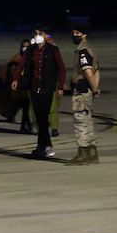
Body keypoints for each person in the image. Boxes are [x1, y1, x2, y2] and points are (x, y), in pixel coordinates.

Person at [12, 25, 66, 159]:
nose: (37, 35)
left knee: (43, 117)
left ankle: (46, 146)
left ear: (46, 35)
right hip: (34, 87)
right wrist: (16, 79)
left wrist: (60, 87)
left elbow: (62, 69)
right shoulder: (30, 50)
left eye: (40, 33)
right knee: (39, 117)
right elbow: (22, 65)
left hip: (47, 88)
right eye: (35, 33)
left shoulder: (53, 50)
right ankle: (42, 147)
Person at [65, 25, 100, 165]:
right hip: (88, 91)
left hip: (81, 91)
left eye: (77, 33)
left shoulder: (83, 51)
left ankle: (83, 153)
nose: (74, 35)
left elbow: (88, 71)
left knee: (80, 122)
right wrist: (95, 88)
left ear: (84, 35)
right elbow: (97, 71)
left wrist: (93, 87)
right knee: (88, 120)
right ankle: (92, 152)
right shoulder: (91, 49)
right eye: (73, 32)